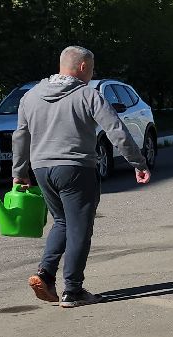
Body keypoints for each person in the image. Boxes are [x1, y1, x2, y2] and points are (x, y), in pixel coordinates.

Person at [11, 46, 152, 308]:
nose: (92, 74)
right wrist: (138, 162)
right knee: (79, 229)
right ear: (83, 67)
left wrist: (19, 172)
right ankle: (73, 290)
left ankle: (46, 274)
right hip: (76, 169)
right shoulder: (87, 95)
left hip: (42, 169)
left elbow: (20, 135)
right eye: (92, 69)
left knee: (62, 222)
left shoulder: (30, 96)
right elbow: (116, 129)